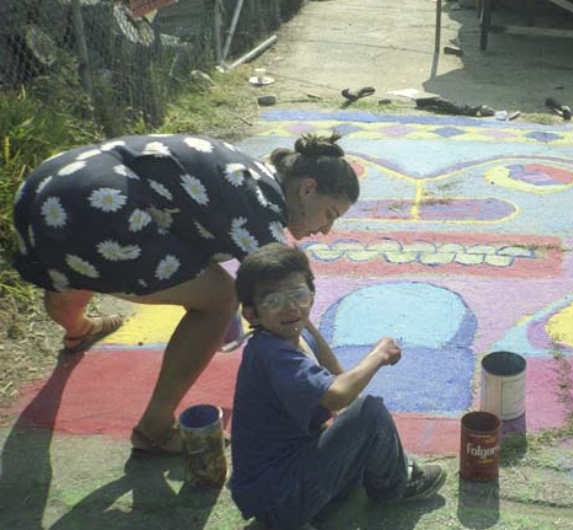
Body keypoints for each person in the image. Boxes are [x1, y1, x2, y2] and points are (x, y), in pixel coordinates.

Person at [12, 132, 358, 454]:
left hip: (48, 185)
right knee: (220, 298)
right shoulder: (262, 210)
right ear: (307, 189)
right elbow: (291, 316)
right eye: (330, 214)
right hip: (99, 205)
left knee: (75, 265)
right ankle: (155, 429)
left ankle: (78, 329)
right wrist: (338, 391)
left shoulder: (250, 171)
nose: (327, 229)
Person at [230, 243, 447, 530]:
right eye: (273, 301)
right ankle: (395, 487)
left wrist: (308, 326)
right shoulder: (271, 352)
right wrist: (379, 354)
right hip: (279, 498)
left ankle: (318, 508)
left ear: (311, 294)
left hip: (281, 485)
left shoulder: (293, 328)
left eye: (299, 295)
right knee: (370, 412)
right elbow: (338, 395)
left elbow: (336, 376)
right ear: (252, 315)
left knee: (357, 423)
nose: (291, 307)